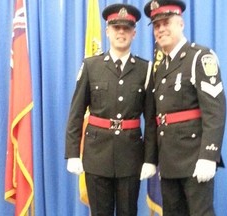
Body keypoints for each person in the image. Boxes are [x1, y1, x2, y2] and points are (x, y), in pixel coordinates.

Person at [65, 3, 158, 216]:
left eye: (126, 28)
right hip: (97, 155)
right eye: (116, 28)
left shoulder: (145, 69)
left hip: (131, 155)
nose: (121, 33)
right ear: (107, 31)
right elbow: (76, 112)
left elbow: (151, 119)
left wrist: (150, 159)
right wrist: (72, 153)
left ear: (134, 33)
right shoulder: (91, 66)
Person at [144, 0, 226, 215]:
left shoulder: (199, 57)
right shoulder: (160, 67)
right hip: (169, 160)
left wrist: (209, 155)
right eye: (156, 25)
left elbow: (215, 110)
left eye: (166, 22)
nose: (161, 29)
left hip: (194, 158)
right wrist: (152, 159)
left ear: (180, 23)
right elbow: (157, 117)